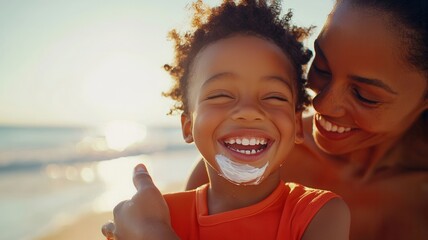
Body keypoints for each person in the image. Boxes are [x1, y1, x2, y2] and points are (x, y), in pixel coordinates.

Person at [103, 0, 428, 239]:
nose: (322, 104)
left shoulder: (322, 212)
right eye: (322, 68)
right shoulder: (207, 178)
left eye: (365, 95)